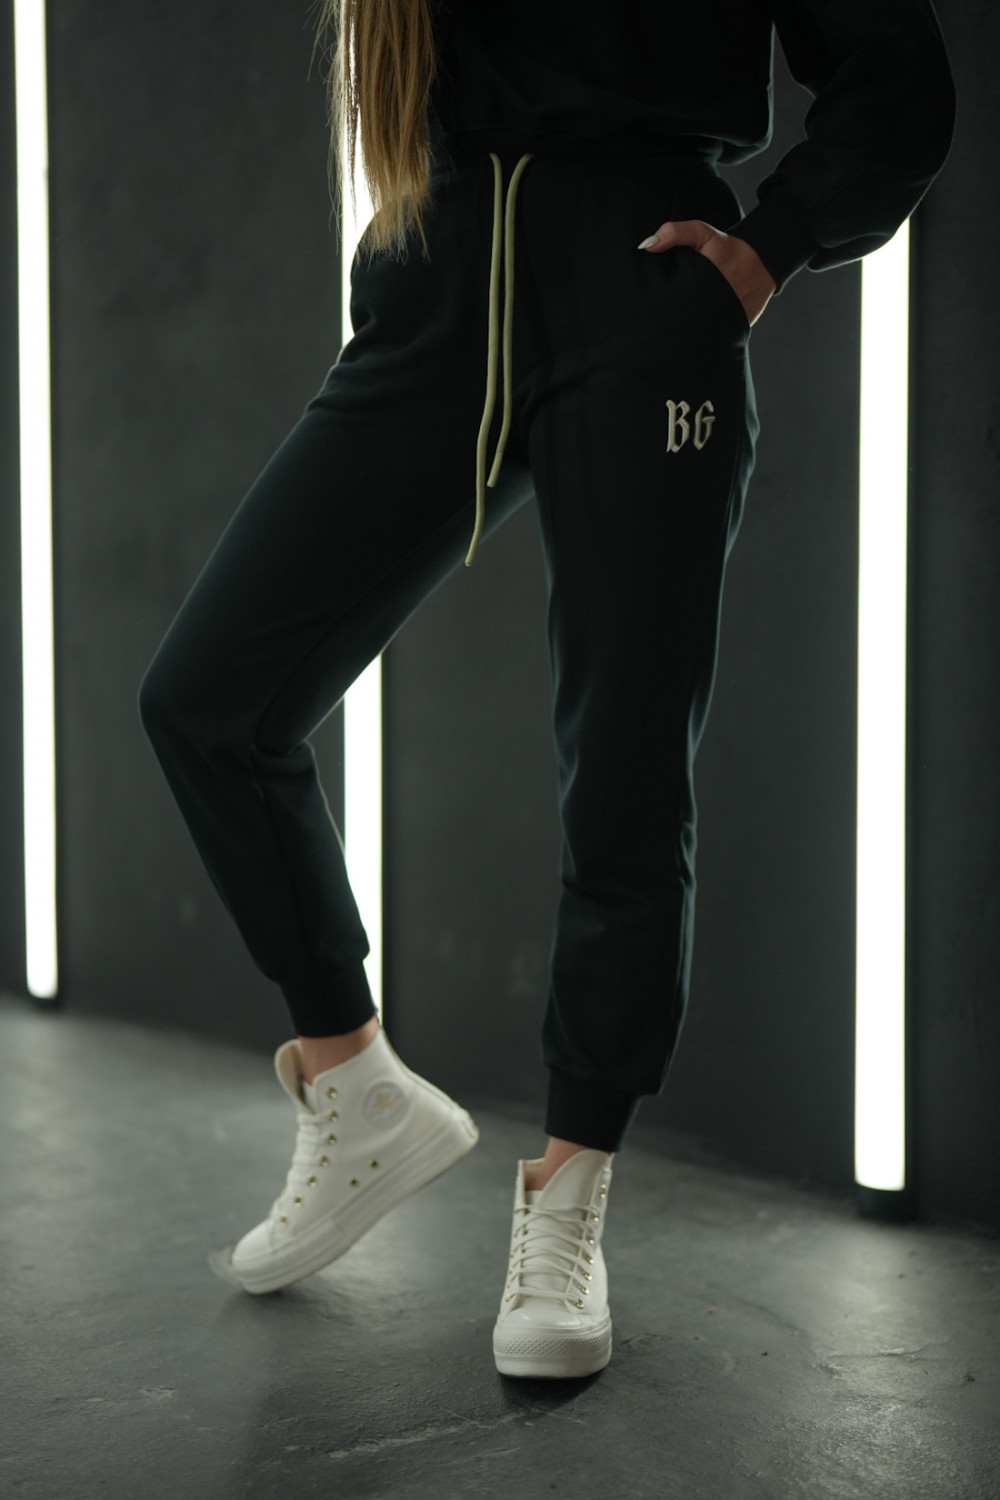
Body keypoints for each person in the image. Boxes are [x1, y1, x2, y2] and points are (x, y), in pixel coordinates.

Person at [138, 0, 956, 1380]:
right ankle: (353, 1080)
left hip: (642, 292)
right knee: (207, 698)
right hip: (438, 272)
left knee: (624, 772)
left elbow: (898, 73)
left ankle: (569, 1199)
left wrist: (768, 248)